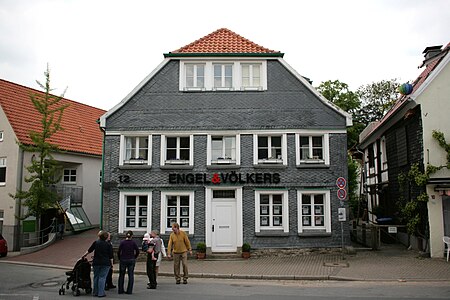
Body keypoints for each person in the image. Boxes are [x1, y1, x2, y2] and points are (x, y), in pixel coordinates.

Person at [82, 230, 113, 298]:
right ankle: (101, 293)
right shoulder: (108, 245)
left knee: (96, 277)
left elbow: (89, 250)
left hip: (96, 262)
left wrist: (83, 256)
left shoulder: (96, 243)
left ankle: (95, 292)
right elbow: (111, 256)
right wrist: (111, 264)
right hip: (105, 263)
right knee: (102, 277)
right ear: (106, 237)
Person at [117, 230, 139, 295]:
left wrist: (119, 258)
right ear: (132, 236)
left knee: (121, 275)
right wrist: (134, 257)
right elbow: (137, 251)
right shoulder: (133, 243)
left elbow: (119, 251)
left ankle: (120, 290)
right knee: (131, 275)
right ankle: (129, 290)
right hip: (131, 259)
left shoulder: (122, 242)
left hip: (123, 259)